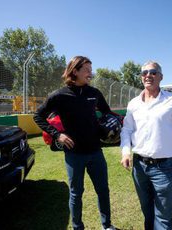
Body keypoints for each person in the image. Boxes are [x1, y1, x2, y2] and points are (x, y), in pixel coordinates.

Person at [33, 56, 116, 230]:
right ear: (75, 71)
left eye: (90, 69)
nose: (90, 74)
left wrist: (109, 126)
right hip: (74, 154)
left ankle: (107, 226)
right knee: (76, 193)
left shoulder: (94, 93)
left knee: (103, 190)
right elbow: (38, 116)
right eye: (86, 70)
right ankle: (78, 227)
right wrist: (58, 135)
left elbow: (107, 112)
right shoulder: (59, 95)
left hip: (96, 152)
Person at [120, 60, 172, 230]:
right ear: (141, 77)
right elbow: (126, 130)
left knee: (163, 219)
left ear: (161, 77)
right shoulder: (133, 103)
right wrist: (126, 152)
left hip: (163, 168)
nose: (148, 75)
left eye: (153, 72)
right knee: (148, 214)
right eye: (144, 72)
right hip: (139, 167)